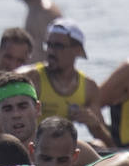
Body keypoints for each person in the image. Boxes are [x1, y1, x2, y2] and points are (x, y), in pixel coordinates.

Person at [19, 18, 114, 147]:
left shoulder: (89, 87)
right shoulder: (30, 78)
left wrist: (95, 126)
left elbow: (110, 144)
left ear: (78, 50)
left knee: (99, 145)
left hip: (60, 149)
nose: (50, 51)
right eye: (49, 45)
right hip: (31, 146)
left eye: (58, 46)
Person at [0, 70, 101, 166]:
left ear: (37, 109)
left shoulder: (71, 149)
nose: (16, 114)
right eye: (7, 109)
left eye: (22, 106)